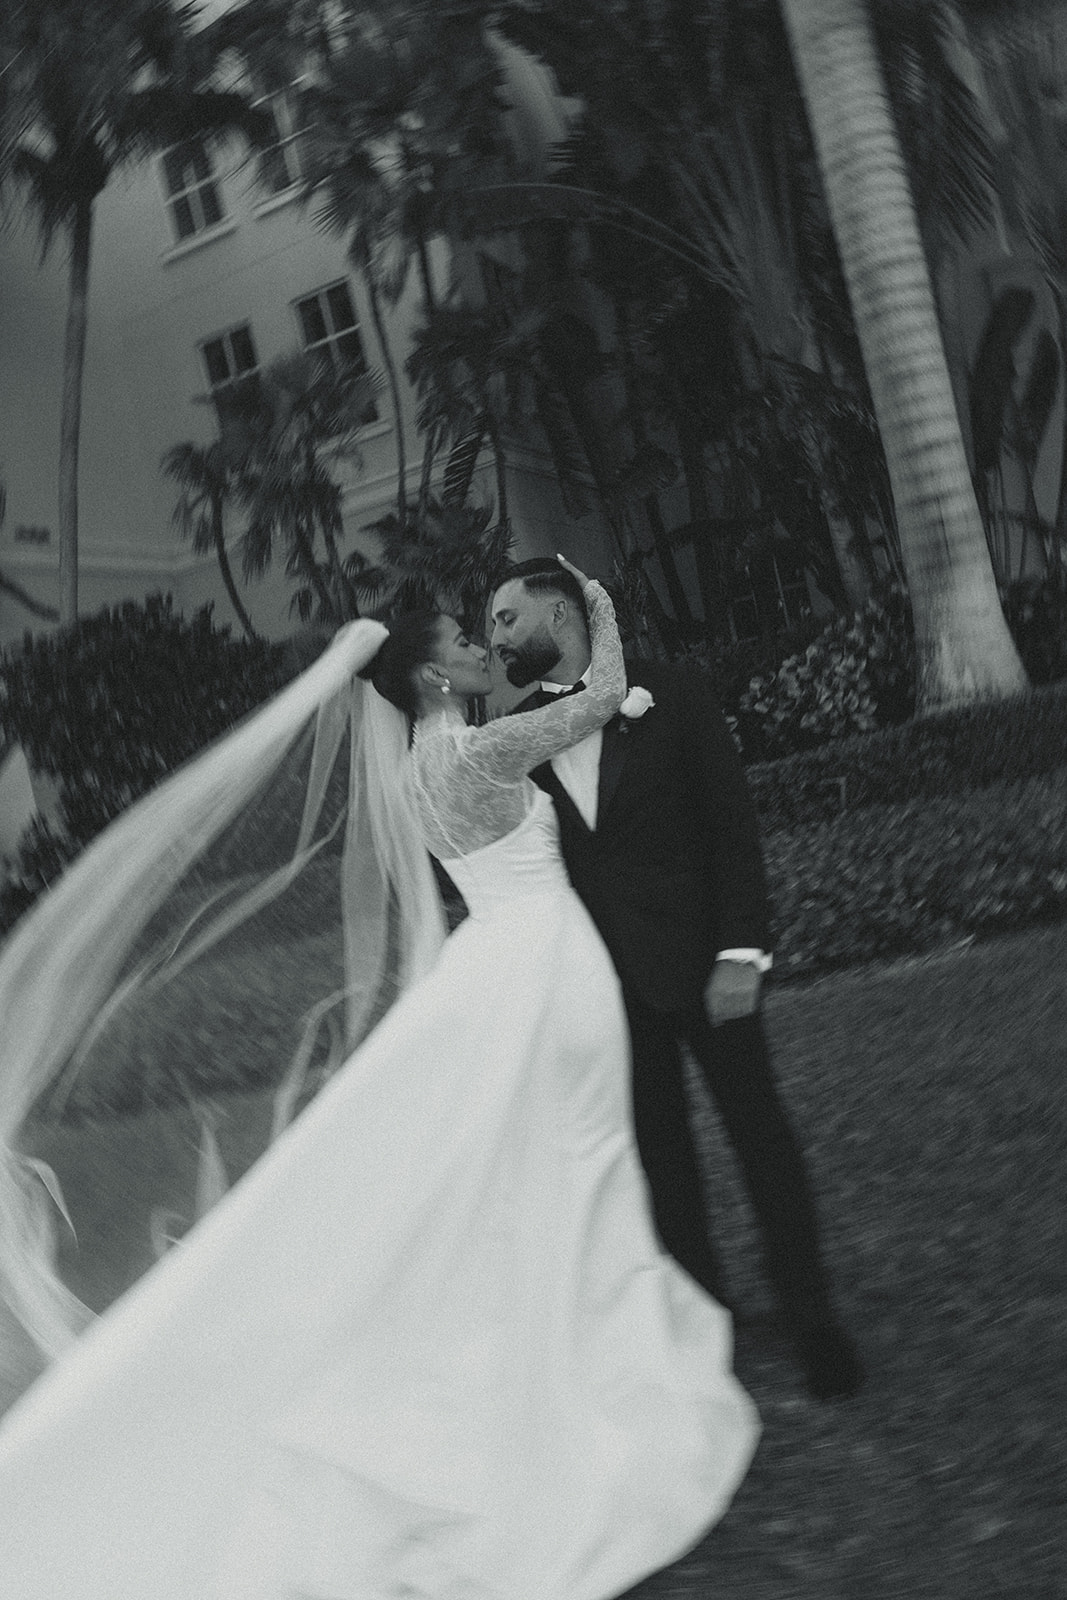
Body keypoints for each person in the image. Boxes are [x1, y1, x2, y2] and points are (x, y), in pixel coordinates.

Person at [0, 560, 757, 1600]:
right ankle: (582, 1363)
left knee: (539, 1162)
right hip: (549, 970)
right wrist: (593, 600)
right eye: (462, 643)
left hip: (499, 961)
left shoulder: (415, 768)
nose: (480, 650)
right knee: (573, 1154)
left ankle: (577, 1329)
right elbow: (593, 695)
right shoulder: (485, 748)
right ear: (434, 678)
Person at [491, 556, 863, 1401]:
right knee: (662, 1161)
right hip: (605, 986)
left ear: (560, 610)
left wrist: (742, 951)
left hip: (705, 965)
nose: (497, 639)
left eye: (506, 618)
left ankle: (814, 1320)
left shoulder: (674, 691)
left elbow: (730, 824)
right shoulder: (517, 734)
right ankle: (707, 1324)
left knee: (758, 1136)